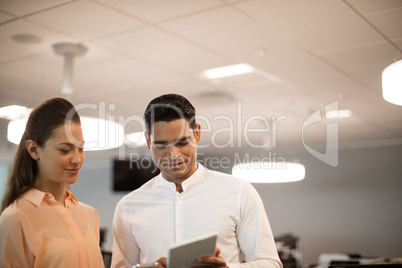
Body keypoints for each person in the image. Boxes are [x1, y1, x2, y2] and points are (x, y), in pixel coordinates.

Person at [111, 94, 282, 268]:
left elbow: (270, 263)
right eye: (161, 145)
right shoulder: (128, 207)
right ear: (148, 142)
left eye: (183, 142)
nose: (173, 155)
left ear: (197, 134)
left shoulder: (239, 192)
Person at [0, 97, 104, 268]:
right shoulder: (15, 219)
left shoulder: (90, 215)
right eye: (65, 150)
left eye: (81, 149)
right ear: (34, 150)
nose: (77, 159)